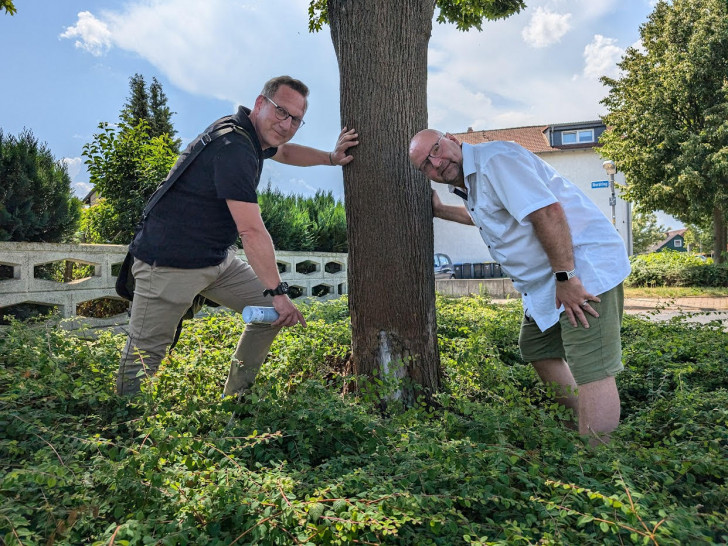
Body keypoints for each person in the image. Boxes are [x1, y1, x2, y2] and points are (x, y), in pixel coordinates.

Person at [116, 75, 358, 397]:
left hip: (216, 259)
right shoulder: (234, 146)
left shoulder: (253, 137)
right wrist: (279, 292)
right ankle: (125, 431)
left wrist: (330, 158)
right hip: (169, 261)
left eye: (296, 119)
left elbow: (284, 153)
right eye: (281, 111)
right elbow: (251, 230)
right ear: (260, 104)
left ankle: (236, 399)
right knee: (145, 358)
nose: (287, 124)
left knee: (269, 314)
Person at [409, 129, 630, 444]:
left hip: (580, 270)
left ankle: (600, 466)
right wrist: (441, 210)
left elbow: (546, 212)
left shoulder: (496, 160)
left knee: (591, 368)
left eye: (436, 149)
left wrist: (566, 277)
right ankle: (582, 427)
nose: (436, 163)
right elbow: (485, 216)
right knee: (537, 347)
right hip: (545, 284)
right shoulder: (472, 182)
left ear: (452, 139)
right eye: (426, 165)